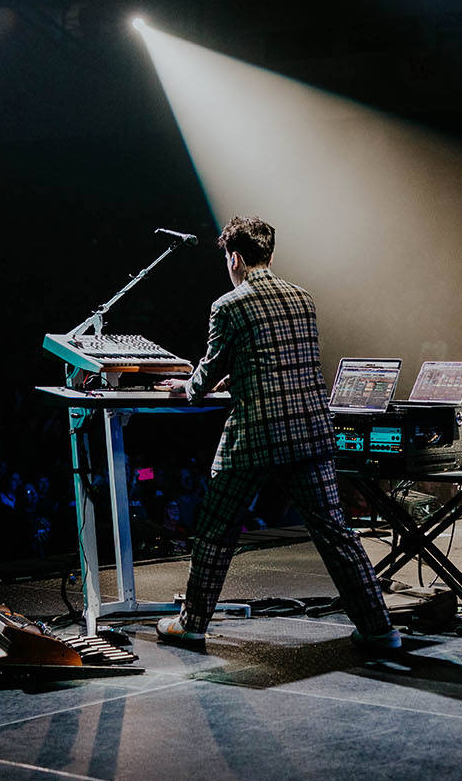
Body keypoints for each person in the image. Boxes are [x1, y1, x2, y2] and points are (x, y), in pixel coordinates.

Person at [157, 216, 399, 651]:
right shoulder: (303, 298)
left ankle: (192, 624)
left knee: (216, 530)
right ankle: (381, 629)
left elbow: (206, 376)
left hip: (256, 435)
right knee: (336, 534)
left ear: (234, 257)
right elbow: (281, 363)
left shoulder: (229, 305)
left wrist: (189, 386)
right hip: (309, 433)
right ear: (269, 254)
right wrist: (235, 379)